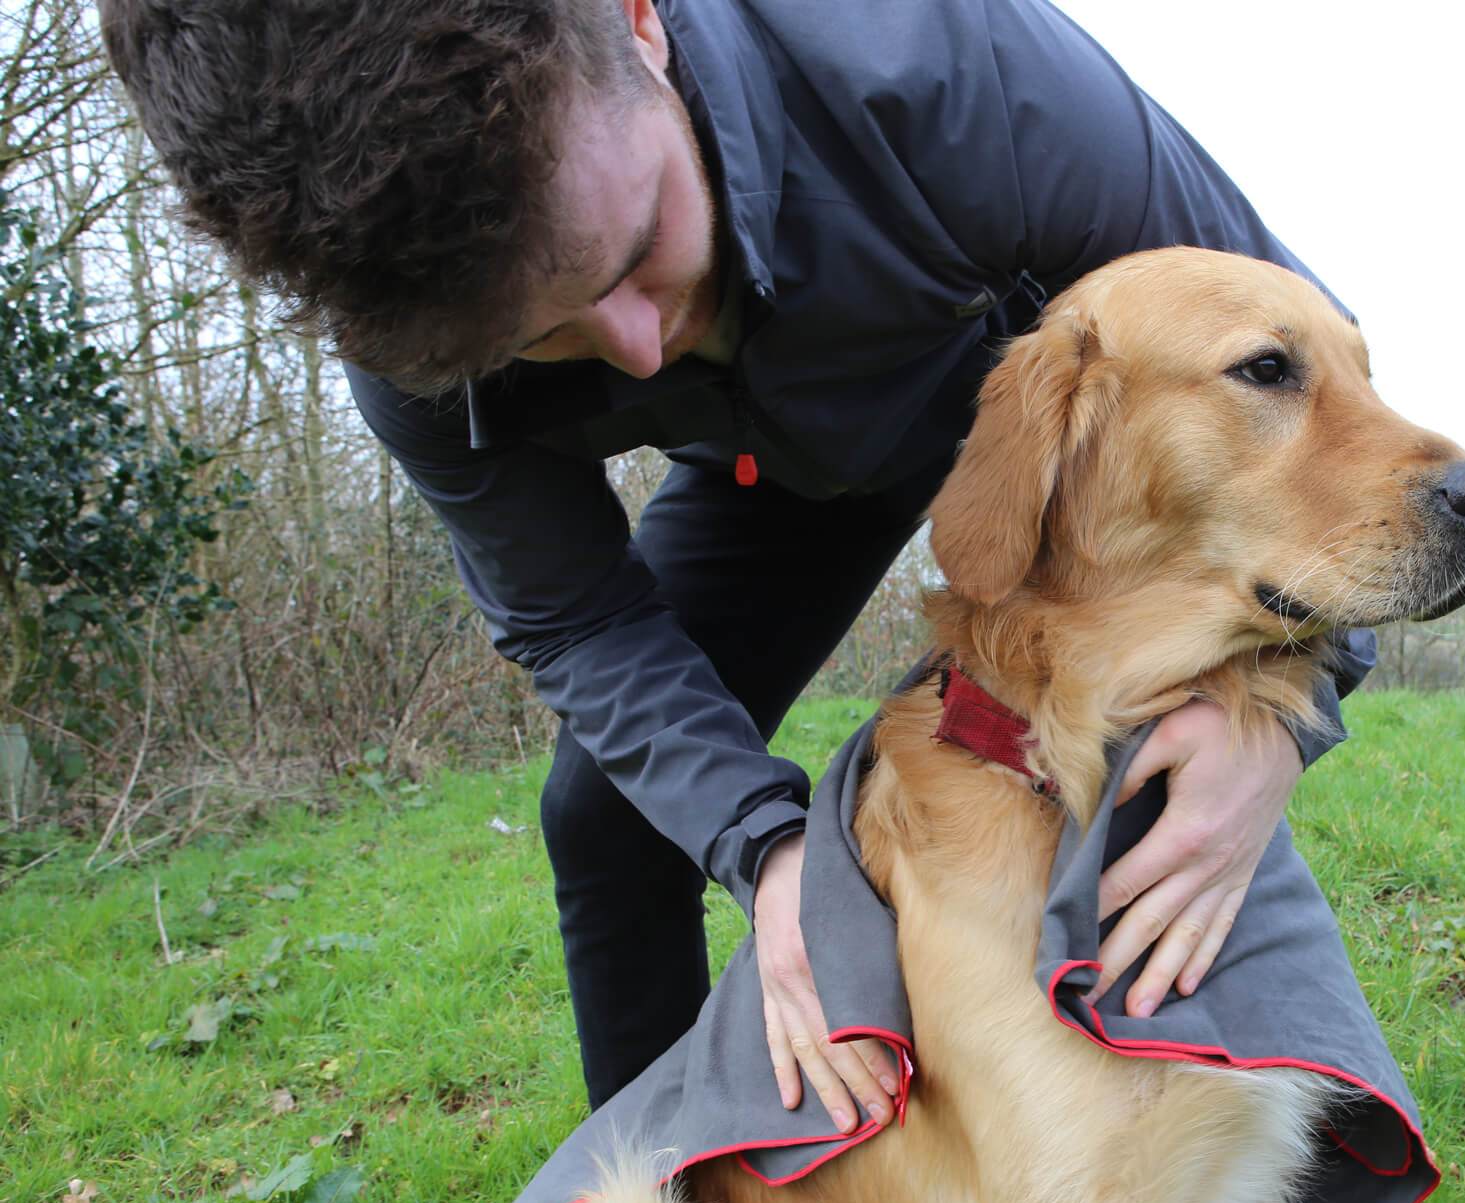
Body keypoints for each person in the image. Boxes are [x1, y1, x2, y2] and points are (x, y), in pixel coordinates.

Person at [101, 0, 1376, 1129]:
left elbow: (1298, 362)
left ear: (638, 23)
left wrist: (1293, 708)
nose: (641, 349)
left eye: (642, 236)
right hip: (761, 478)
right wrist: (769, 852)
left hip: (998, 413)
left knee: (1152, 726)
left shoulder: (946, 65)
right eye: (547, 338)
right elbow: (577, 624)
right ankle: (667, 1191)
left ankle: (1229, 1128)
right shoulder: (419, 356)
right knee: (600, 812)